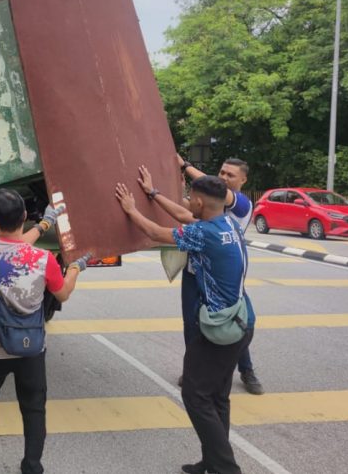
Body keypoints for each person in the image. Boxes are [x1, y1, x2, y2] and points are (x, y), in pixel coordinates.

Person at [116, 176, 254, 474]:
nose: (188, 201)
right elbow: (182, 215)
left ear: (201, 203)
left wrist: (130, 209)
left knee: (194, 394)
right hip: (242, 321)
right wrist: (153, 192)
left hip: (221, 329)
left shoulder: (204, 233)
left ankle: (226, 468)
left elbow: (155, 232)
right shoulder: (227, 223)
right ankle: (212, 461)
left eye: (190, 197)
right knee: (217, 397)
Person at [0, 189, 88, 474]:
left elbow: (13, 245)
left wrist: (42, 225)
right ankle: (32, 466)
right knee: (33, 409)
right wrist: (75, 268)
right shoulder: (43, 260)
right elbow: (63, 293)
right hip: (30, 348)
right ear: (23, 216)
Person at [139, 157, 263, 396]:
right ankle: (195, 367)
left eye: (230, 175)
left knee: (236, 323)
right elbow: (185, 211)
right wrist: (154, 192)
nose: (224, 178)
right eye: (222, 173)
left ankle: (246, 370)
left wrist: (184, 165)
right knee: (192, 324)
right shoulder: (213, 212)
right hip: (195, 273)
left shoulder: (241, 206)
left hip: (223, 279)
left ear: (244, 180)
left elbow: (208, 190)